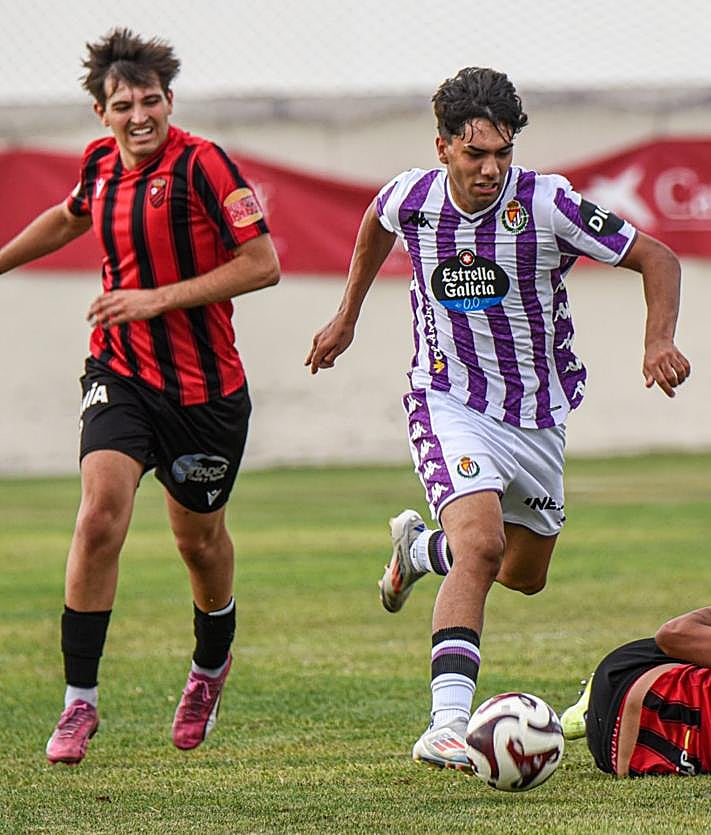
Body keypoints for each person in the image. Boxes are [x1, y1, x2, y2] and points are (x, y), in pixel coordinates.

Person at [305, 66, 690, 772]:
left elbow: (657, 256)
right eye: (475, 153)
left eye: (501, 153)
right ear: (443, 145)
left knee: (521, 572)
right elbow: (375, 225)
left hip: (537, 416)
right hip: (447, 400)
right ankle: (446, 722)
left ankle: (420, 551)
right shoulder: (411, 198)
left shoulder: (547, 205)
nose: (490, 169)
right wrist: (345, 315)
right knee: (481, 545)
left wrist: (657, 338)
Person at [0, 28, 280, 765]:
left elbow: (263, 264)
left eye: (150, 100)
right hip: (120, 375)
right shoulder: (99, 166)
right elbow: (69, 216)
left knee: (199, 542)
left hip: (205, 395)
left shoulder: (204, 165)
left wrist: (157, 299)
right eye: (123, 104)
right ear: (101, 113)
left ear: (169, 101)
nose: (139, 115)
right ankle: (78, 704)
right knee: (98, 517)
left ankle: (209, 666)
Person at [560, 607, 711, 777]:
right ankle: (587, 714)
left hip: (624, 681)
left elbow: (673, 634)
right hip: (629, 756)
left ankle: (587, 711)